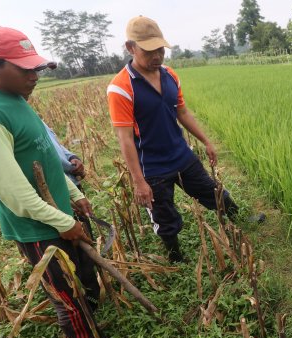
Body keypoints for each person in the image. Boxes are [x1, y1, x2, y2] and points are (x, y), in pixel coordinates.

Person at [0, 26, 108, 338]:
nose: (35, 75)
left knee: (85, 273)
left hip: (60, 210)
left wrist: (75, 195)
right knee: (64, 290)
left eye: (35, 67)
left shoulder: (15, 97)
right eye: (24, 68)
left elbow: (44, 153)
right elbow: (12, 192)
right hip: (38, 227)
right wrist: (62, 223)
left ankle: (94, 314)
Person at [107, 16, 263, 264]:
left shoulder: (170, 76)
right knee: (164, 215)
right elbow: (125, 138)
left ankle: (241, 219)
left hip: (182, 155)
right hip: (153, 167)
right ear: (130, 48)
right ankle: (175, 255)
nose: (157, 56)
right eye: (149, 51)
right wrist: (139, 181)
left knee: (213, 191)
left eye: (160, 49)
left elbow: (182, 112)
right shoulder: (121, 88)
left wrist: (206, 141)